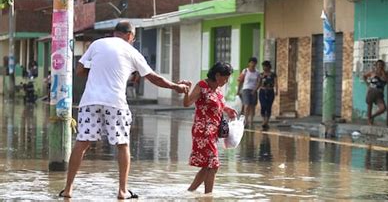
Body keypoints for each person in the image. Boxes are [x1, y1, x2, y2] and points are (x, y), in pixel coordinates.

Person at [59, 21, 190, 199]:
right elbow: (153, 78)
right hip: (115, 102)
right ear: (130, 36)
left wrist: (98, 69)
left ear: (115, 32)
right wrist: (176, 87)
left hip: (90, 101)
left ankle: (68, 189)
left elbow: (80, 70)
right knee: (122, 145)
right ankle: (122, 191)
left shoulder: (97, 44)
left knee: (81, 143)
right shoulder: (132, 51)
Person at [184, 62, 238, 194]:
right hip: (203, 131)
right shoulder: (202, 86)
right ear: (217, 75)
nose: (226, 81)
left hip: (214, 131)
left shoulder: (218, 89)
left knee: (207, 166)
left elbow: (218, 105)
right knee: (213, 165)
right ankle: (208, 196)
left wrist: (227, 109)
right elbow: (187, 103)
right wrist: (186, 92)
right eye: (225, 78)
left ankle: (190, 192)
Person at [363, 60, 388, 125]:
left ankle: (372, 116)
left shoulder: (385, 74)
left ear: (383, 66)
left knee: (383, 108)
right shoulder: (372, 73)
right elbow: (364, 76)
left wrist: (383, 74)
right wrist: (367, 85)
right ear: (376, 66)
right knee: (370, 106)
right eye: (378, 65)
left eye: (381, 65)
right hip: (372, 90)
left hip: (380, 93)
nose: (380, 66)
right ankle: (369, 121)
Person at [256, 60, 278, 129]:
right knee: (263, 105)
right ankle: (264, 120)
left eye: (265, 66)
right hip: (262, 91)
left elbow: (276, 83)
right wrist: (255, 90)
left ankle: (266, 121)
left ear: (269, 66)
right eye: (263, 66)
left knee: (269, 106)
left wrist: (276, 90)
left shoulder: (273, 74)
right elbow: (259, 83)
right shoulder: (261, 74)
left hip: (270, 91)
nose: (264, 68)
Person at [238, 57, 259, 127]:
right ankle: (246, 121)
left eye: (254, 63)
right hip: (246, 89)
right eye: (251, 62)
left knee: (252, 106)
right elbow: (240, 81)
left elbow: (259, 82)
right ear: (249, 63)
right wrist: (238, 90)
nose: (253, 64)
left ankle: (251, 121)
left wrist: (255, 90)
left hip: (254, 90)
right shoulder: (245, 71)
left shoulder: (257, 72)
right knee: (246, 105)